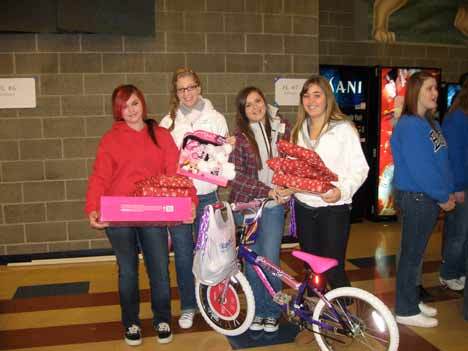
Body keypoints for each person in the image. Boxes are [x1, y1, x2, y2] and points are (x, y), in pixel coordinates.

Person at [85, 85, 197, 345]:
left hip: (153, 212)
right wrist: (93, 207)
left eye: (134, 104)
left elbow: (176, 174)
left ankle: (162, 319)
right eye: (124, 106)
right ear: (118, 110)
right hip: (118, 214)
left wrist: (189, 201)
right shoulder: (110, 139)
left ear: (142, 104)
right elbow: (100, 176)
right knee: (127, 271)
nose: (130, 110)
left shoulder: (160, 134)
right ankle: (132, 323)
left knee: (158, 270)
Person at [288, 76, 369, 290]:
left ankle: (347, 316)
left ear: (327, 98)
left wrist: (341, 191)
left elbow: (360, 169)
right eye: (306, 95)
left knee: (333, 269)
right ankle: (320, 313)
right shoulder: (298, 131)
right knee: (311, 267)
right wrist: (286, 188)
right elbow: (293, 168)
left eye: (317, 94)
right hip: (304, 207)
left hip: (333, 209)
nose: (311, 100)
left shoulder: (343, 129)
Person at [391, 71, 455, 328]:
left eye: (436, 88)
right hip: (417, 197)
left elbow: (442, 162)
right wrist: (441, 197)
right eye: (429, 88)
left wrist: (448, 190)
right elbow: (421, 169)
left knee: (415, 255)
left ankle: (411, 301)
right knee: (411, 255)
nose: (435, 93)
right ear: (416, 91)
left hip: (428, 196)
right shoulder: (409, 125)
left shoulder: (431, 123)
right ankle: (405, 309)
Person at [229, 86, 291, 332]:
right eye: (248, 105)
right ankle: (257, 311)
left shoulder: (282, 126)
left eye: (258, 101)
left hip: (275, 207)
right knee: (253, 262)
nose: (255, 108)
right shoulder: (241, 138)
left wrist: (287, 185)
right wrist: (266, 190)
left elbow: (291, 162)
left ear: (264, 101)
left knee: (271, 261)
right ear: (243, 112)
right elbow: (237, 177)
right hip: (250, 209)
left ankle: (272, 312)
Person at [160, 67, 233, 240]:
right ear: (176, 93)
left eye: (191, 87)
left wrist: (225, 150)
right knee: (184, 252)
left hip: (208, 196)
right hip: (179, 196)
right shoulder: (167, 122)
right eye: (181, 89)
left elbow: (222, 159)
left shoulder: (217, 119)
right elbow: (162, 161)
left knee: (208, 253)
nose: (187, 93)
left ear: (199, 88)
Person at [440, 76, 468, 291]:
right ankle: (449, 272)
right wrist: (457, 186)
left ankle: (459, 270)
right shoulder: (457, 118)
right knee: (458, 232)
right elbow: (454, 155)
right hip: (460, 184)